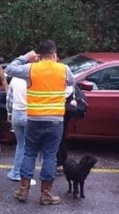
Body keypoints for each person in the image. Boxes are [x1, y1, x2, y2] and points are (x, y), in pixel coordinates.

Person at [5, 39, 75, 205]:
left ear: (39, 55)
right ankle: (45, 194)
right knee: (50, 155)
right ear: (54, 54)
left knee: (29, 153)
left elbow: (9, 69)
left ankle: (23, 190)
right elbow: (71, 82)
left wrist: (25, 57)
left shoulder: (31, 68)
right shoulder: (64, 69)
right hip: (55, 120)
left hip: (35, 118)